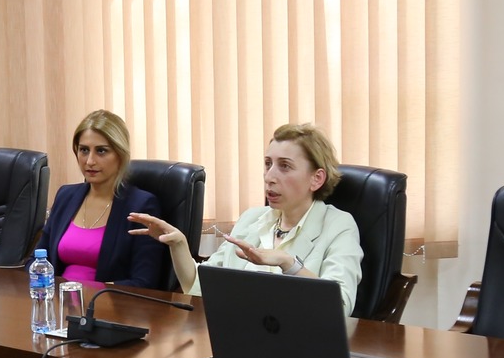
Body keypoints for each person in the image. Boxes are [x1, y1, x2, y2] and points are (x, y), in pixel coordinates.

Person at [130, 121, 362, 307]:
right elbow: (201, 286)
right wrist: (178, 244)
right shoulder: (252, 219)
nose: (269, 176)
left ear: (316, 179)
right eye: (268, 164)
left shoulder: (338, 225)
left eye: (285, 166)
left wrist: (288, 263)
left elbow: (340, 305)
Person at [34, 111, 171, 291]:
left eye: (101, 151)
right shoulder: (66, 196)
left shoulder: (141, 205)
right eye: (84, 150)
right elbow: (37, 261)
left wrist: (88, 293)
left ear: (120, 155)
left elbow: (144, 282)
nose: (90, 161)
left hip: (106, 303)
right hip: (57, 300)